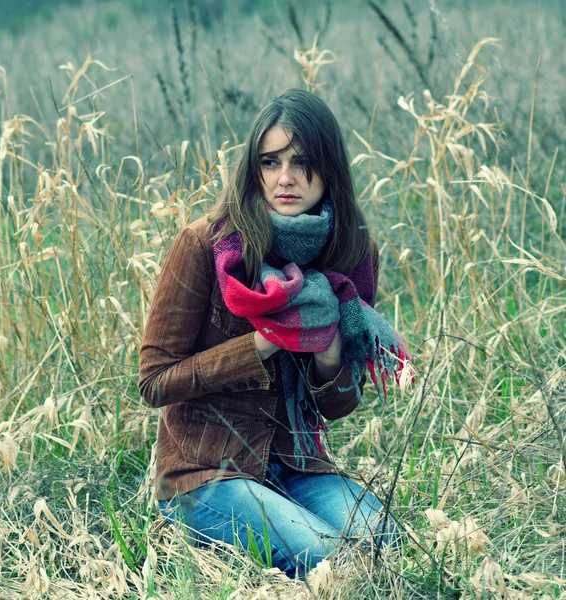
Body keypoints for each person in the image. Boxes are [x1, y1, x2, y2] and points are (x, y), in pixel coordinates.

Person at [139, 89, 409, 578]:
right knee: (330, 559)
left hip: (298, 465)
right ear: (253, 168)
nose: (284, 178)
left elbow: (339, 404)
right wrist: (261, 344)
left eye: (301, 161)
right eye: (270, 162)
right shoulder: (206, 244)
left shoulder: (350, 252)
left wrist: (328, 358)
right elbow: (154, 381)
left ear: (329, 168)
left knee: (385, 543)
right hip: (205, 475)